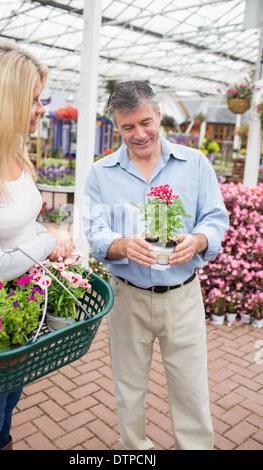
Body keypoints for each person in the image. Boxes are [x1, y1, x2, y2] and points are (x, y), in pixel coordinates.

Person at [83, 81, 229, 450]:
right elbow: (95, 231)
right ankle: (134, 450)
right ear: (116, 126)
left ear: (159, 114)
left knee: (191, 388)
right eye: (128, 127)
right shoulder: (101, 173)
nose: (139, 134)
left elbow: (215, 218)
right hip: (127, 297)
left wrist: (198, 240)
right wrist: (120, 245)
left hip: (182, 295)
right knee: (128, 389)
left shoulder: (194, 163)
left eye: (146, 122)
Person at [0, 38, 73, 450]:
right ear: (0, 99)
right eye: (33, 99)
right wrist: (49, 240)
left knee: (6, 411)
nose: (43, 108)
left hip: (16, 312)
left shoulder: (11, 145)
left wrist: (44, 236)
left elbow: (17, 222)